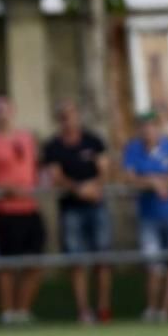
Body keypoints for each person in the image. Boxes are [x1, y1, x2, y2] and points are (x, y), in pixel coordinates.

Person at [0, 94, 45, 326]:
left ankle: (22, 311)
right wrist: (6, 188)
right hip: (4, 210)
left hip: (30, 207)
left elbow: (37, 169)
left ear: (13, 110)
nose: (1, 113)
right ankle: (7, 312)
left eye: (5, 108)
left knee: (34, 261)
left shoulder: (26, 138)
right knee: (6, 264)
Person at [43, 100, 112, 324]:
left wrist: (93, 187)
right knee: (76, 261)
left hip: (97, 206)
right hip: (71, 209)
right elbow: (55, 175)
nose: (67, 119)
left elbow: (105, 170)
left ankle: (103, 310)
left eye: (71, 114)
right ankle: (83, 312)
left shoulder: (93, 140)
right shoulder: (53, 146)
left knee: (102, 259)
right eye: (63, 115)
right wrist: (79, 189)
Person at [122, 112, 168, 322]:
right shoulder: (133, 149)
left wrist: (156, 181)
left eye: (151, 126)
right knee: (153, 263)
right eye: (143, 126)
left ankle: (166, 310)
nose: (147, 130)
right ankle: (152, 309)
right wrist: (153, 183)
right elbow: (130, 179)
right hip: (148, 216)